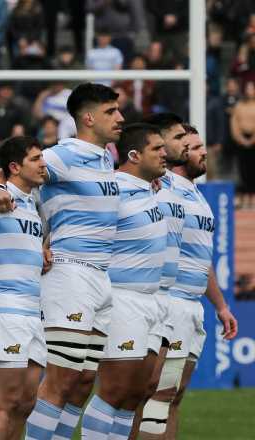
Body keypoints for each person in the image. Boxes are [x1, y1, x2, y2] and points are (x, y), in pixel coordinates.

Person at [0, 83, 122, 440]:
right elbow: (12, 171)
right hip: (70, 272)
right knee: (61, 382)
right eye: (111, 111)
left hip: (100, 277)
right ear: (89, 117)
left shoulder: (106, 157)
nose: (120, 118)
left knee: (82, 382)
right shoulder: (65, 154)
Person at [141, 125, 239, 439]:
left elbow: (201, 257)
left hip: (193, 306)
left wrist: (221, 306)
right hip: (170, 302)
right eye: (194, 146)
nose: (202, 151)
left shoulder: (197, 196)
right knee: (156, 394)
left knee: (172, 396)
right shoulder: (162, 185)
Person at [73, 123, 167, 439]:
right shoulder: (113, 188)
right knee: (114, 390)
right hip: (121, 297)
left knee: (136, 394)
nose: (164, 153)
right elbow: (76, 221)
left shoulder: (150, 188)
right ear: (134, 155)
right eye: (157, 148)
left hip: (152, 300)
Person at [0, 136, 47, 440]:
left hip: (32, 311)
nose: (43, 164)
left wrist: (42, 252)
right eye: (35, 159)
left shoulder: (32, 205)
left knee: (26, 403)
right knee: (6, 402)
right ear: (15, 167)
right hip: (4, 309)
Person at [131, 113, 188, 438]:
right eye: (179, 138)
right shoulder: (125, 183)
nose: (183, 145)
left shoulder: (176, 187)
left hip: (168, 299)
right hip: (133, 297)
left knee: (160, 389)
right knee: (124, 390)